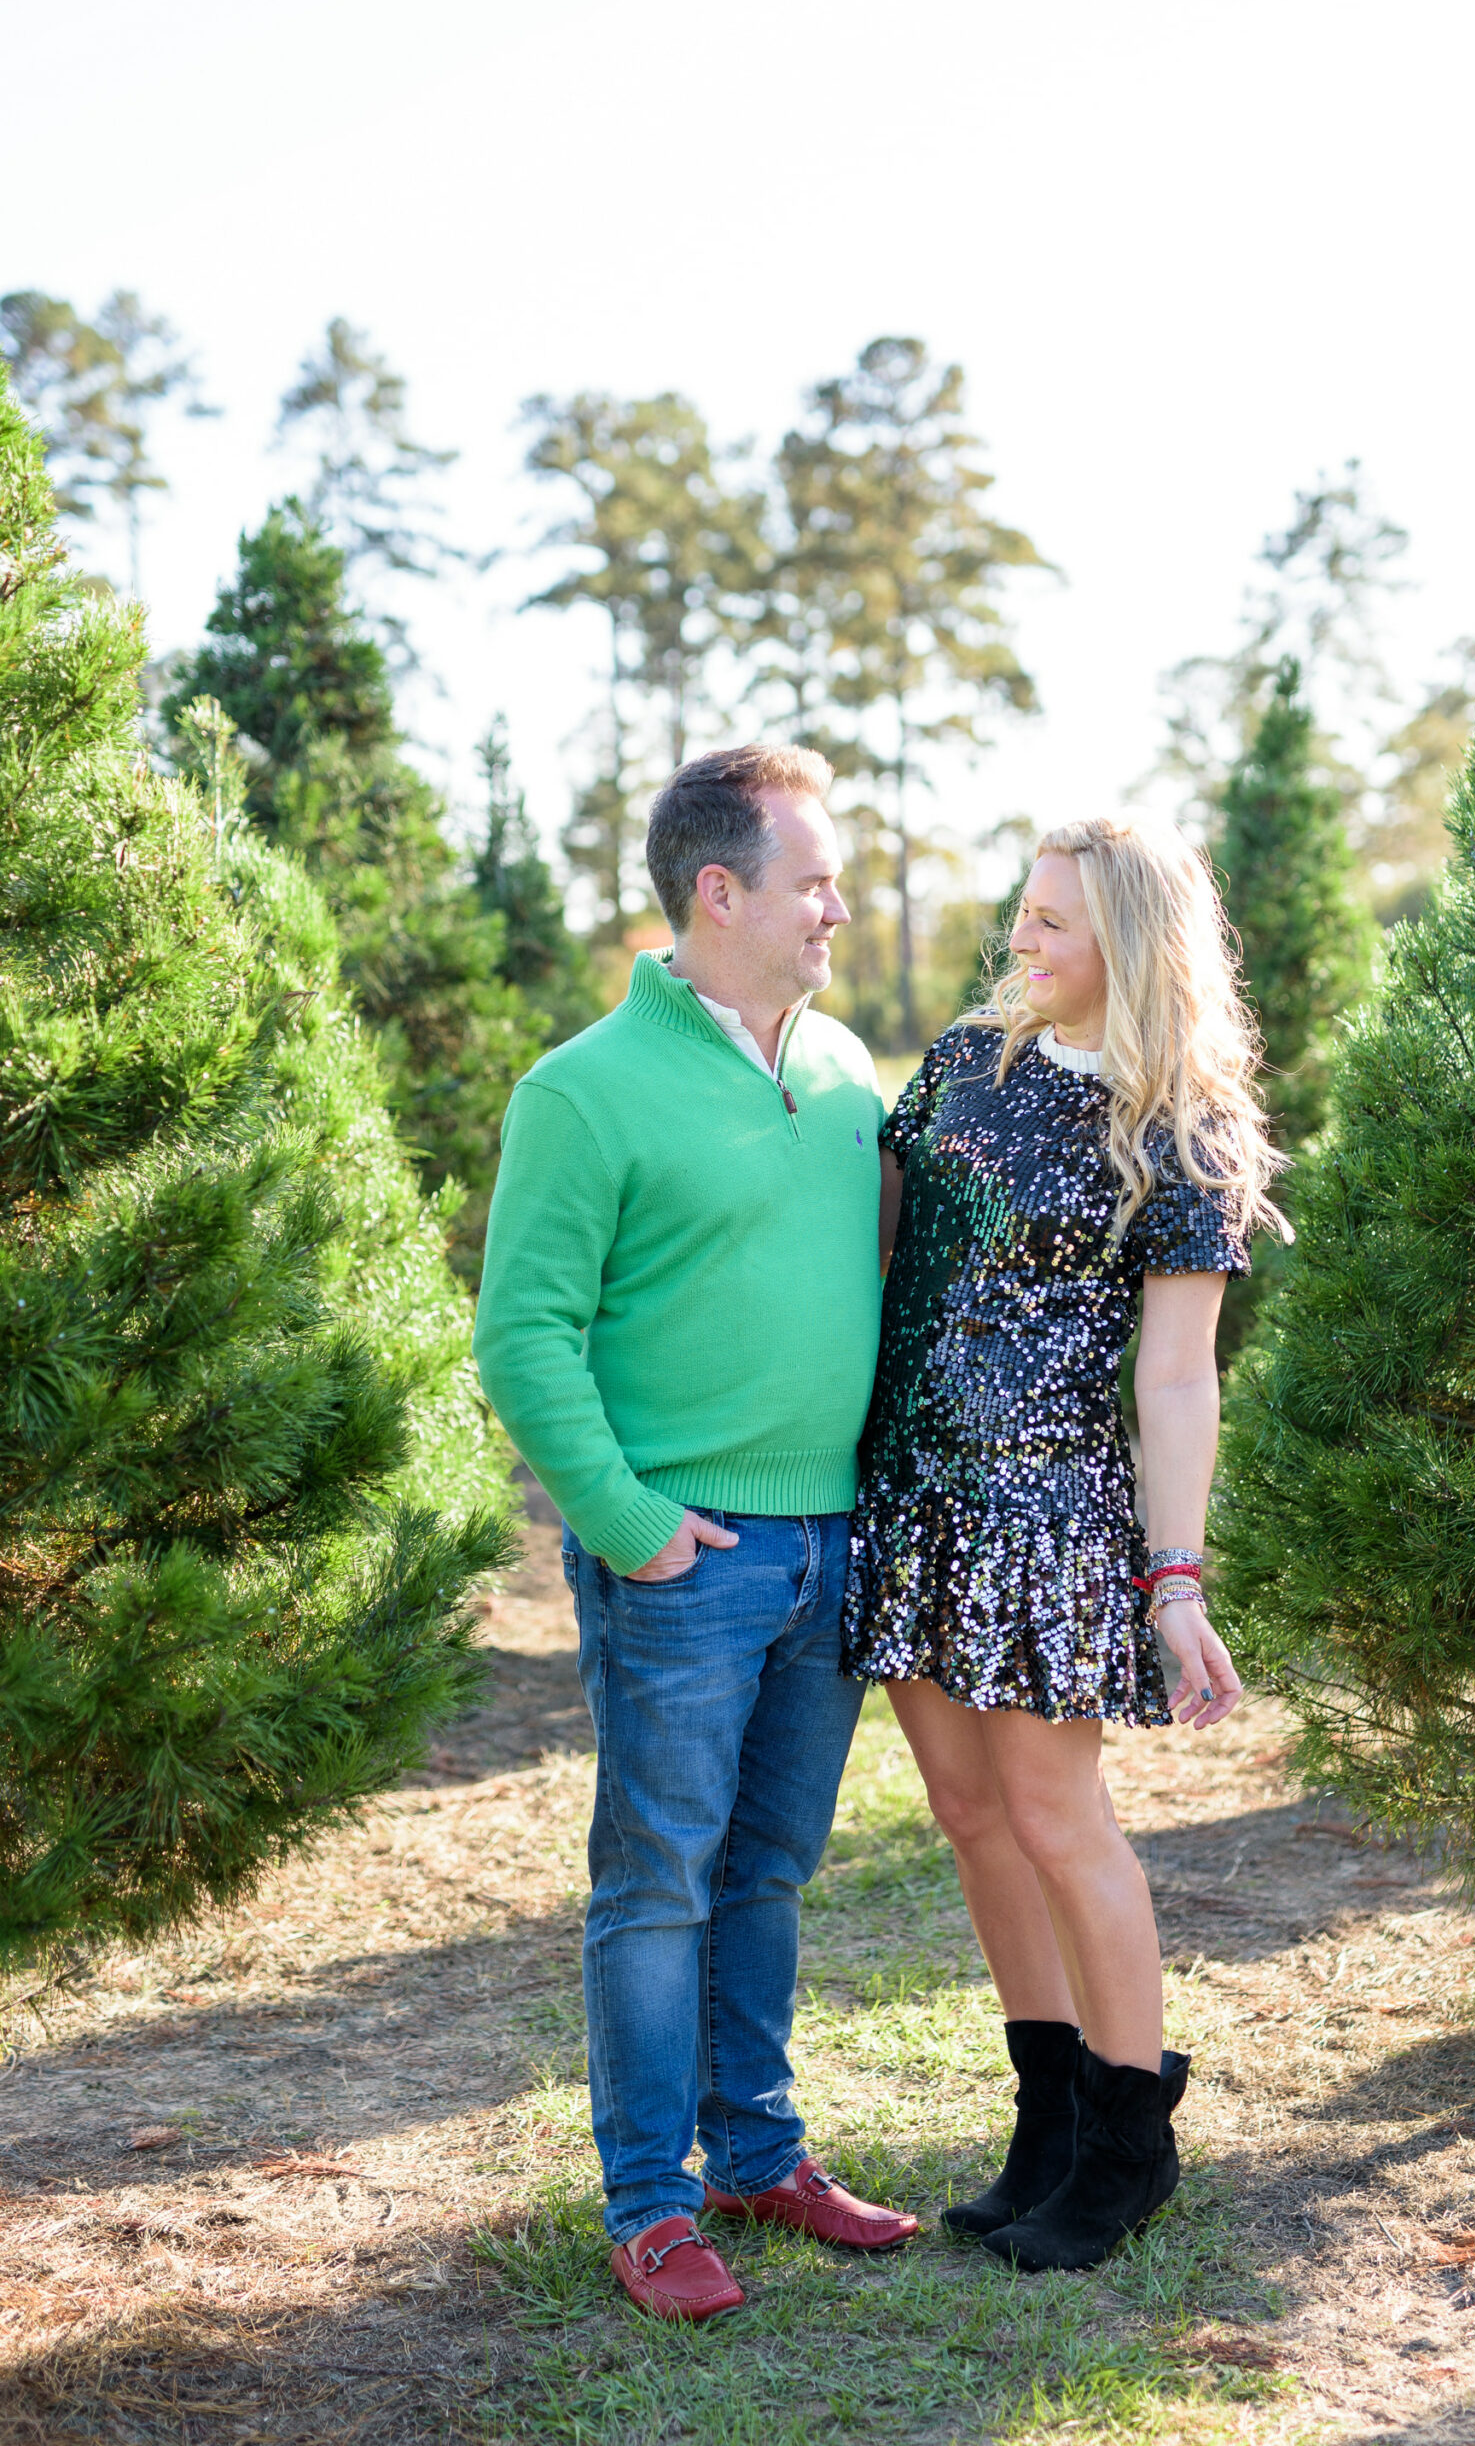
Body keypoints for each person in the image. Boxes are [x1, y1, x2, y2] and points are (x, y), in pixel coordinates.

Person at [474, 743, 919, 2323]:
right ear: (716, 892)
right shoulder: (582, 1090)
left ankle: (756, 2154)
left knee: (771, 1870)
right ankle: (652, 2206)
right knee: (656, 1879)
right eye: (812, 880)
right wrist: (627, 1519)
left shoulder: (850, 1064)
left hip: (830, 1545)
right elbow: (523, 1334)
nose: (837, 907)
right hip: (688, 1557)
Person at [844, 814, 1287, 2272]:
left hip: (1049, 1516)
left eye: (1050, 924)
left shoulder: (1179, 1124)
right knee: (970, 1820)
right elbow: (881, 1251)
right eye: (1020, 913)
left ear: (1130, 947)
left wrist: (1175, 1581)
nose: (1017, 943)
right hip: (912, 1497)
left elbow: (1173, 1376)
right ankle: (1043, 2118)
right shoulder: (966, 1062)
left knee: (1054, 1821)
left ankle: (1127, 2144)